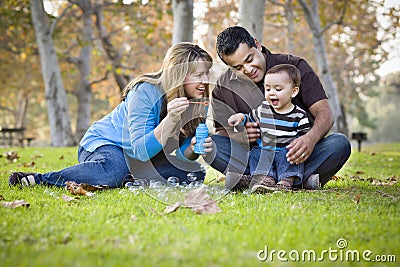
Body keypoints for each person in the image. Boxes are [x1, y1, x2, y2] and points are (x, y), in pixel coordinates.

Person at [9, 42, 214, 188]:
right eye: (198, 75)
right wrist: (171, 119)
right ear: (178, 75)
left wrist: (192, 149)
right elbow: (141, 150)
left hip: (140, 160)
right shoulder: (146, 92)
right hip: (106, 145)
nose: (205, 80)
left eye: (207, 73)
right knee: (115, 169)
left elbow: (180, 155)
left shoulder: (197, 101)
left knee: (193, 173)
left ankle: (129, 178)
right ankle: (41, 179)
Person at [204, 26, 351, 191]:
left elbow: (324, 113)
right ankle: (297, 182)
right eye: (238, 68)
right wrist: (239, 136)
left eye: (250, 59)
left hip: (296, 155)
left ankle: (255, 181)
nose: (248, 69)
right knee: (211, 144)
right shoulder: (223, 88)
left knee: (339, 144)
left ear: (257, 45)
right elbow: (222, 133)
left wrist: (310, 139)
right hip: (256, 156)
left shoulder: (294, 66)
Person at [228, 64, 311, 192]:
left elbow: (304, 137)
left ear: (294, 91)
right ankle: (266, 179)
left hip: (286, 153)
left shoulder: (299, 115)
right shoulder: (263, 109)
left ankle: (286, 181)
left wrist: (299, 146)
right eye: (267, 89)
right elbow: (249, 117)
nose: (271, 93)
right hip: (266, 151)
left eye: (278, 89)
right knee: (257, 152)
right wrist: (240, 118)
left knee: (289, 154)